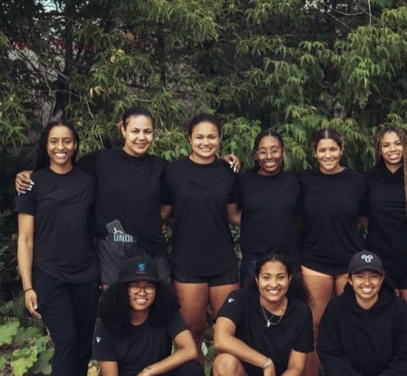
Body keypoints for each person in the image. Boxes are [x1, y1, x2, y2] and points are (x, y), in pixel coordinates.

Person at [14, 107, 240, 287]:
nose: (141, 137)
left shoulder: (163, 168)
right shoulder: (100, 161)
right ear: (123, 130)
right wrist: (30, 174)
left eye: (147, 132)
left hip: (151, 248)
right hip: (114, 247)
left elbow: (189, 182)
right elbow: (62, 168)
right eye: (135, 131)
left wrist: (220, 161)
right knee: (117, 310)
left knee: (159, 309)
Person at [16, 119, 101, 376]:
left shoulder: (88, 182)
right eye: (54, 141)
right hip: (49, 276)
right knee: (65, 342)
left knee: (81, 346)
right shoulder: (33, 184)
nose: (61, 147)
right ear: (46, 146)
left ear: (76, 145)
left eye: (67, 141)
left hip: (86, 275)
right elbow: (25, 240)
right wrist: (27, 286)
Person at [161, 113, 240, 376]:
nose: (206, 142)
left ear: (220, 139)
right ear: (189, 139)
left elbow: (236, 215)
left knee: (228, 337)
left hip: (223, 263)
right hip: (187, 264)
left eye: (212, 137)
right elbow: (162, 213)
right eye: (200, 137)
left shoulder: (229, 171)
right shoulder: (173, 172)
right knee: (191, 336)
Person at [298, 128, 367, 376]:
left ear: (341, 150)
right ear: (315, 153)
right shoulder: (304, 180)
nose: (328, 155)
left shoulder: (357, 181)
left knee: (353, 327)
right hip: (314, 260)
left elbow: (364, 218)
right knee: (313, 326)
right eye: (322, 150)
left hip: (350, 262)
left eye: (333, 149)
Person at [364, 126, 407, 328]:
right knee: (384, 319)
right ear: (379, 150)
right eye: (386, 145)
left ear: (406, 147)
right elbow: (364, 218)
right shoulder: (369, 179)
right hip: (381, 259)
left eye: (398, 143)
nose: (393, 149)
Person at [232, 130, 301, 287]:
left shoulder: (294, 182)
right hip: (254, 259)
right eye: (263, 152)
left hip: (288, 258)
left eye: (275, 150)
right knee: (252, 308)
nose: (269, 156)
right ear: (256, 155)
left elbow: (299, 218)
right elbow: (232, 214)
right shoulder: (244, 181)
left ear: (283, 152)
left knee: (292, 307)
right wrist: (256, 222)